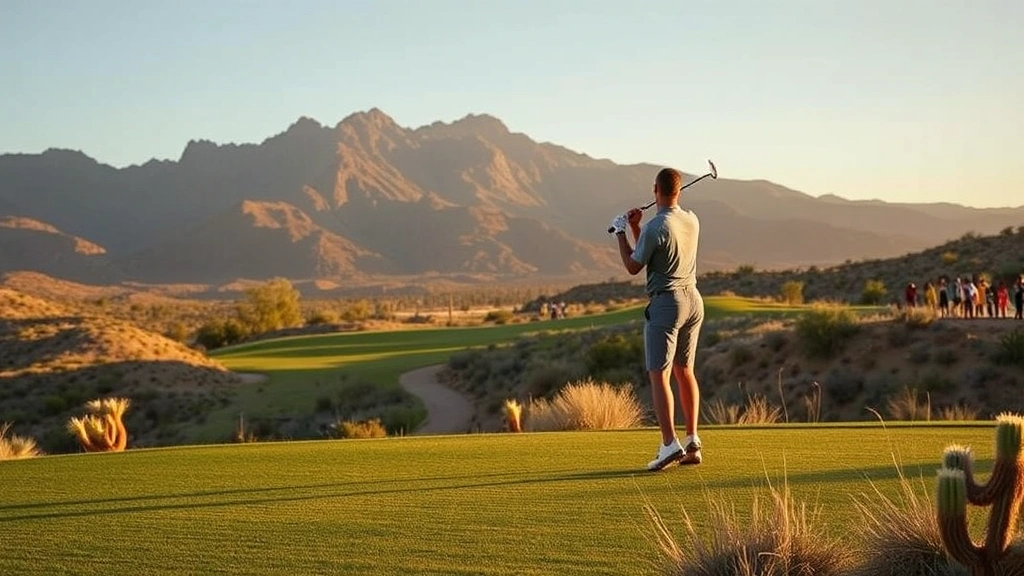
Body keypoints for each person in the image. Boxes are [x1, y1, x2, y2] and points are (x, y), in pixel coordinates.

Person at [610, 167, 704, 471]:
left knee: (659, 375)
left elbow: (633, 265)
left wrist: (621, 231)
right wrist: (638, 228)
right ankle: (691, 442)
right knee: (684, 371)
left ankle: (668, 445)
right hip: (693, 301)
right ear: (680, 191)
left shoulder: (655, 227)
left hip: (666, 304)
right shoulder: (691, 220)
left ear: (655, 190)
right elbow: (655, 249)